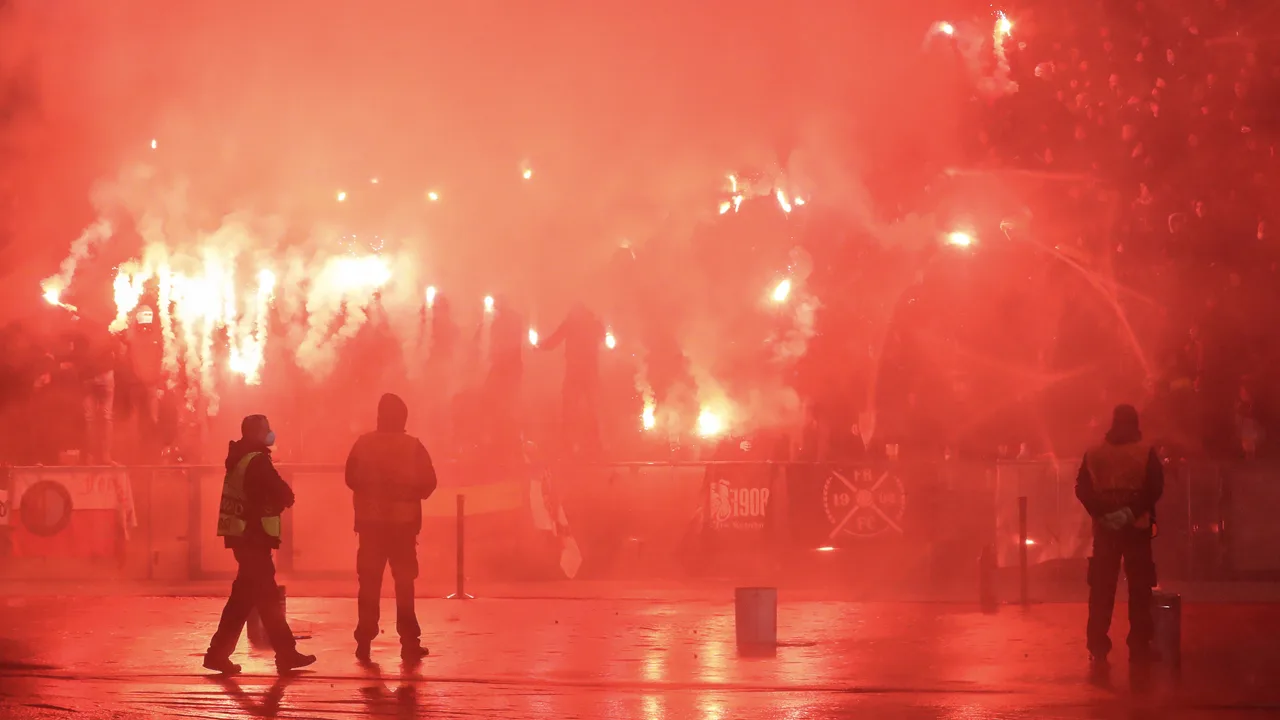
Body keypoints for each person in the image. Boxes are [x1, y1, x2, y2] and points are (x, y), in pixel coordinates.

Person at [204, 415, 315, 675]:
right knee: (265, 597)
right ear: (256, 433)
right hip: (253, 537)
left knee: (246, 598)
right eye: (266, 429)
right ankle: (285, 653)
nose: (270, 433)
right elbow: (284, 494)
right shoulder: (256, 461)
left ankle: (218, 654)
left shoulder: (239, 459)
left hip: (242, 537)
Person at [346, 393, 437, 663]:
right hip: (403, 528)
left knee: (370, 584)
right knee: (405, 585)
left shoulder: (362, 444)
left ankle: (364, 639)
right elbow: (429, 483)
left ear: (379, 416)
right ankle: (409, 641)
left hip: (371, 527)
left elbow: (350, 478)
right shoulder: (413, 447)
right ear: (403, 418)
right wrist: (406, 491)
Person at [1075, 404, 1164, 666]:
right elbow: (1154, 488)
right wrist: (1129, 513)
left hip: (1105, 529)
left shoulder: (1094, 453)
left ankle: (1098, 645)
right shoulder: (1145, 452)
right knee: (1139, 588)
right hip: (1136, 527)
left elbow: (1082, 489)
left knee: (1102, 588)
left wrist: (1103, 513)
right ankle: (1139, 643)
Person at [538, 303, 605, 454]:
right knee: (591, 408)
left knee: (569, 408)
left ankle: (567, 444)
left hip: (574, 371)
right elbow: (602, 337)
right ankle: (594, 444)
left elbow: (554, 340)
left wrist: (540, 346)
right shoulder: (593, 324)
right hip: (590, 371)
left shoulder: (570, 324)